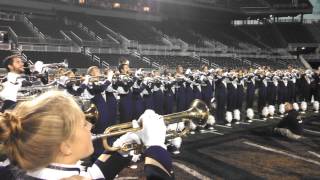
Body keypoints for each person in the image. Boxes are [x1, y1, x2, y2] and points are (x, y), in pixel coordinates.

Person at [0, 91, 173, 179]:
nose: (90, 125)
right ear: (65, 146)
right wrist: (157, 148)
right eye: (83, 123)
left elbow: (91, 176)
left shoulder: (20, 168)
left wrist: (124, 145)